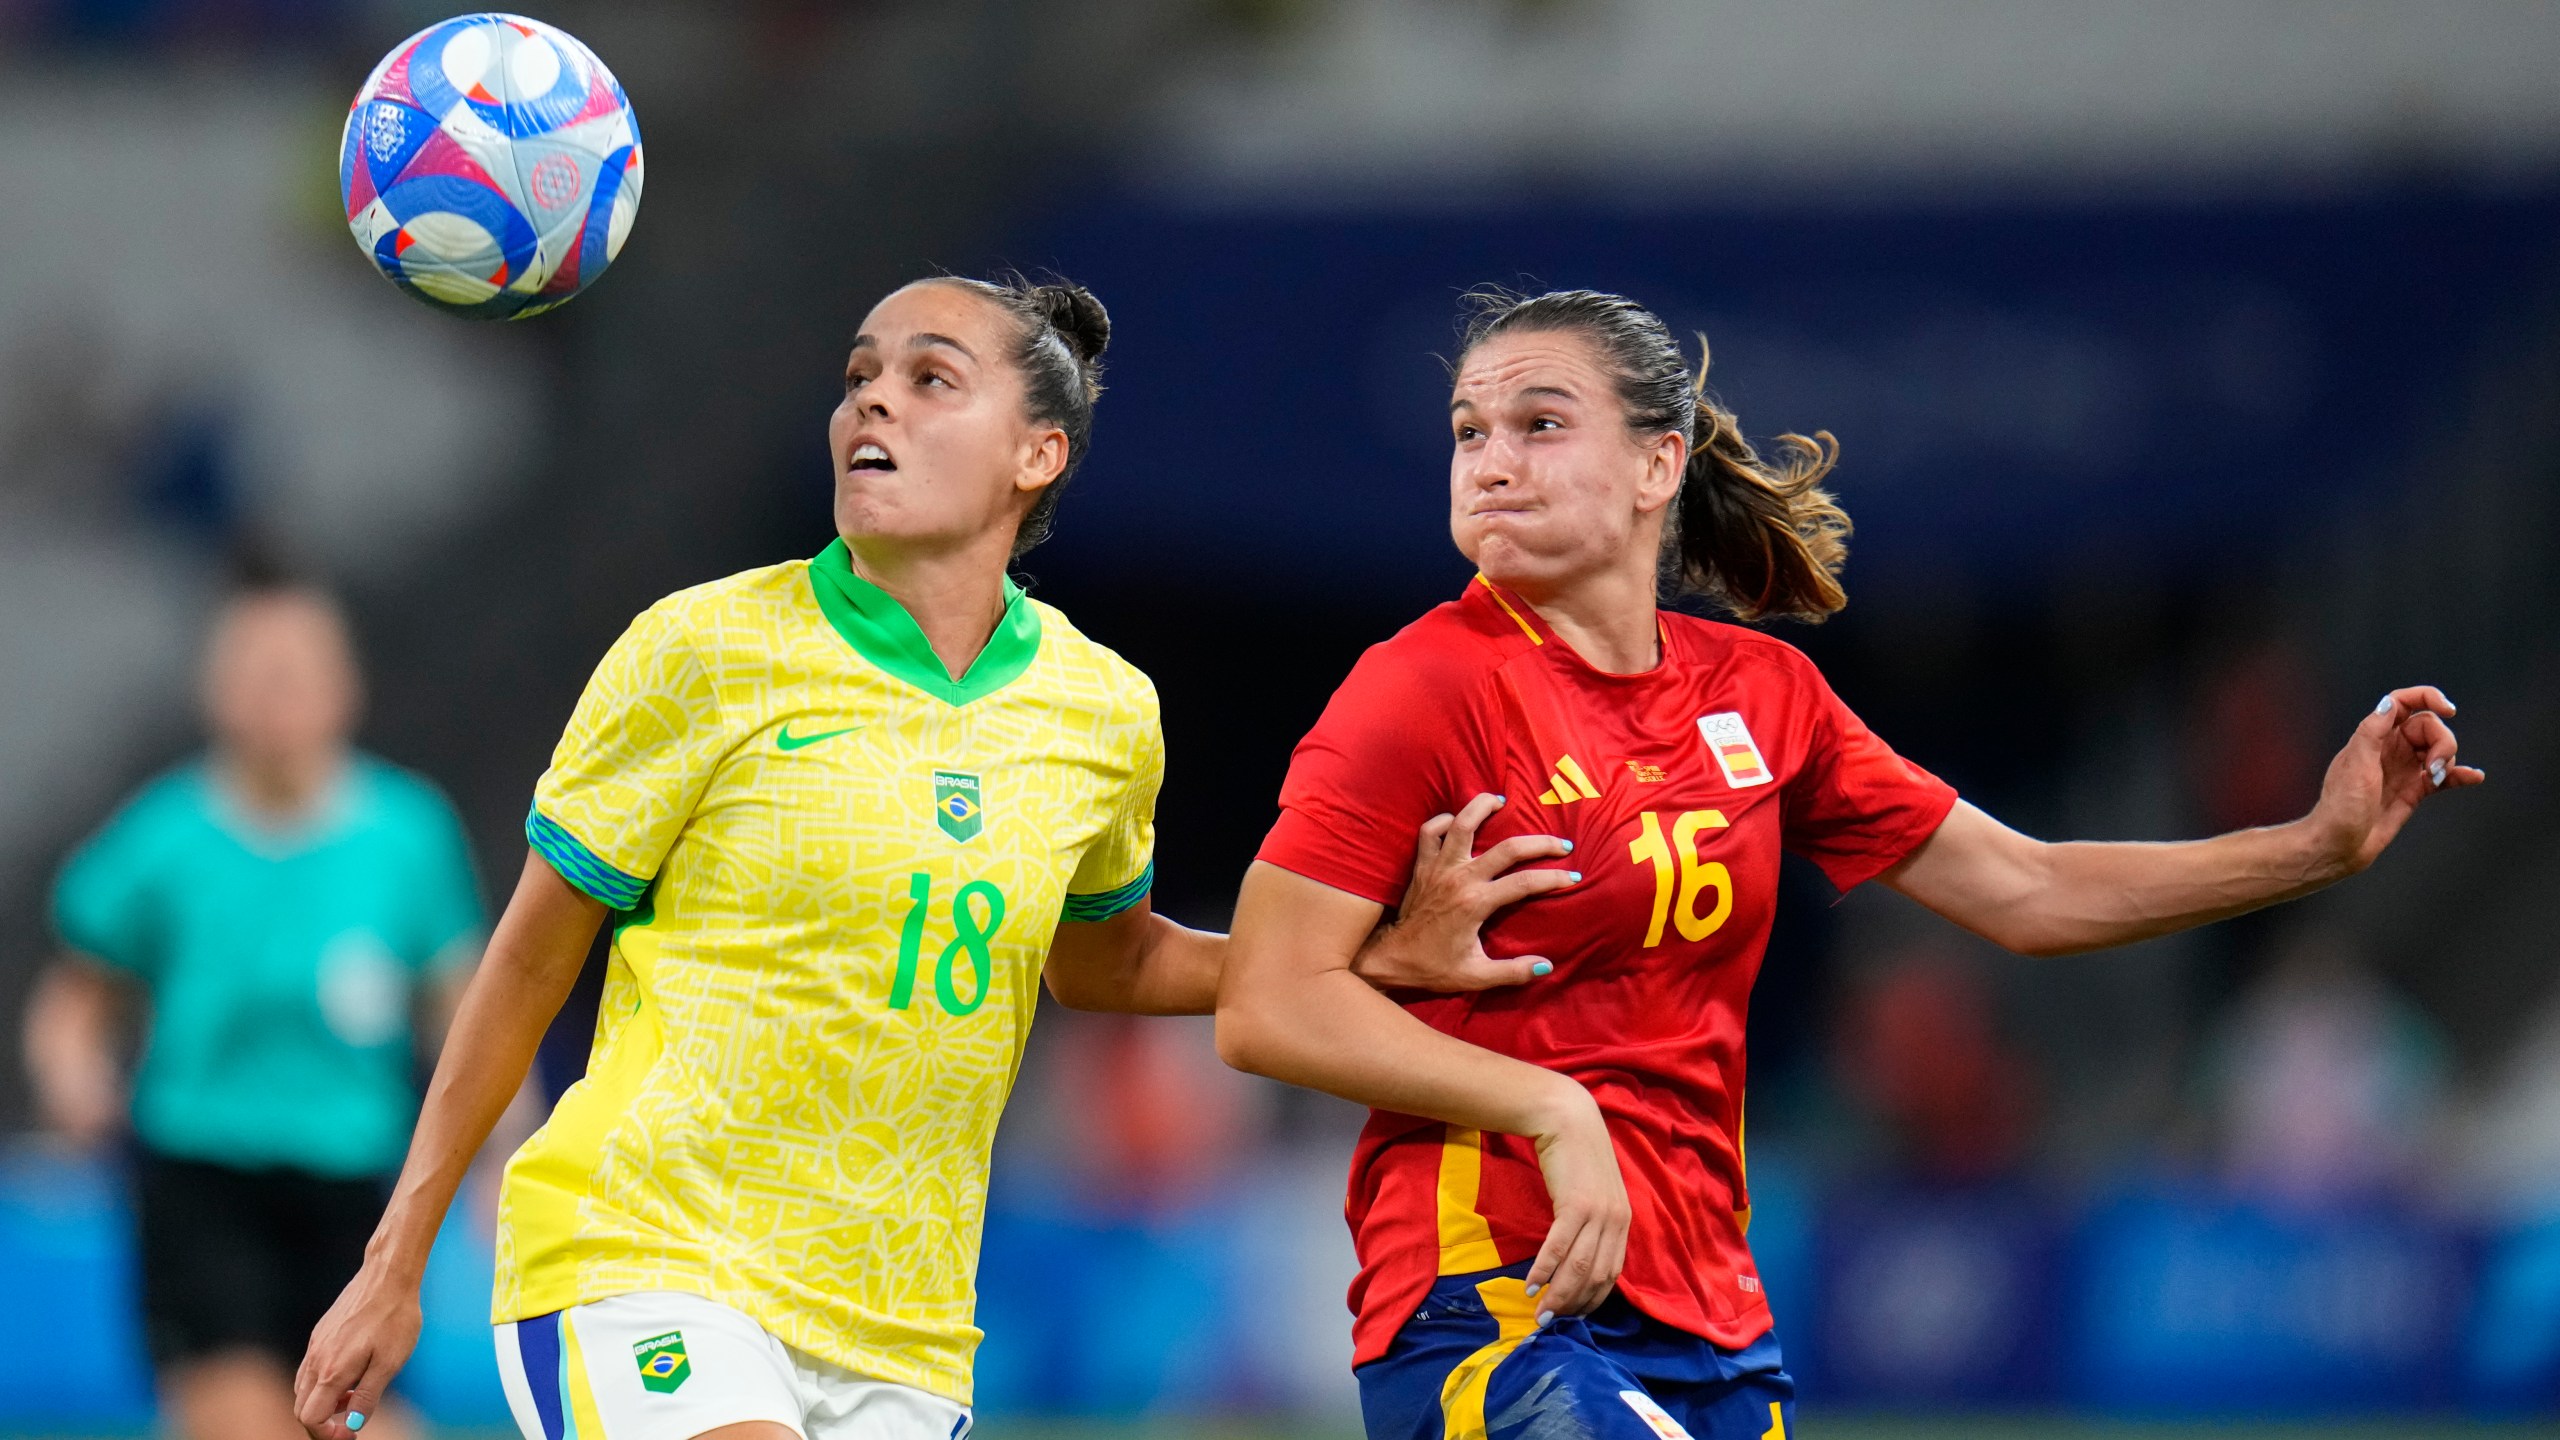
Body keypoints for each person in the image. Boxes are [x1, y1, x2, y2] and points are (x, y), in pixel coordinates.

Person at [1212, 288, 2482, 1440]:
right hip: (1486, 1292)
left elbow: (2028, 893)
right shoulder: (1419, 687)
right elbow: (1270, 1001)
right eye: (1468, 431)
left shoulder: (1762, 693)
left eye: (1539, 423)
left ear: (1658, 464)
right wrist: (1548, 1105)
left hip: (1710, 1314)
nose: (1490, 461)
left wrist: (2312, 847)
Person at [292, 274, 1531, 1440]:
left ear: (1035, 455)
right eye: (857, 376)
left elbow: (1104, 962)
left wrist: (1366, 955)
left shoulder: (1099, 711)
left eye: (930, 379)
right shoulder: (706, 648)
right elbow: (525, 962)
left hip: (902, 1323)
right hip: (647, 1252)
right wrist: (392, 1263)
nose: (870, 400)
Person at [26, 580, 485, 1440]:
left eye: (297, 669)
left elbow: (471, 1014)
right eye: (256, 671)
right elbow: (78, 998)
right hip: (203, 1177)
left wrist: (505, 1144)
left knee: (354, 1425)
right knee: (241, 1420)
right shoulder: (162, 837)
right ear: (216, 690)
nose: (278, 691)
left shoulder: (409, 835)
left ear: (345, 684)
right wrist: (71, 1074)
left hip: (354, 1192)